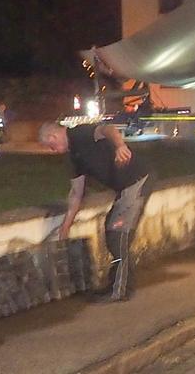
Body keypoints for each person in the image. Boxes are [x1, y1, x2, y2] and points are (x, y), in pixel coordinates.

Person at [39, 120, 151, 302]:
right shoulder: (74, 157)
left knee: (118, 235)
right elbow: (76, 193)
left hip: (136, 180)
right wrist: (66, 226)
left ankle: (120, 289)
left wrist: (120, 146)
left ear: (53, 136)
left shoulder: (81, 133)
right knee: (112, 231)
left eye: (51, 146)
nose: (53, 151)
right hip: (125, 188)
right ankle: (119, 285)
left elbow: (108, 129)